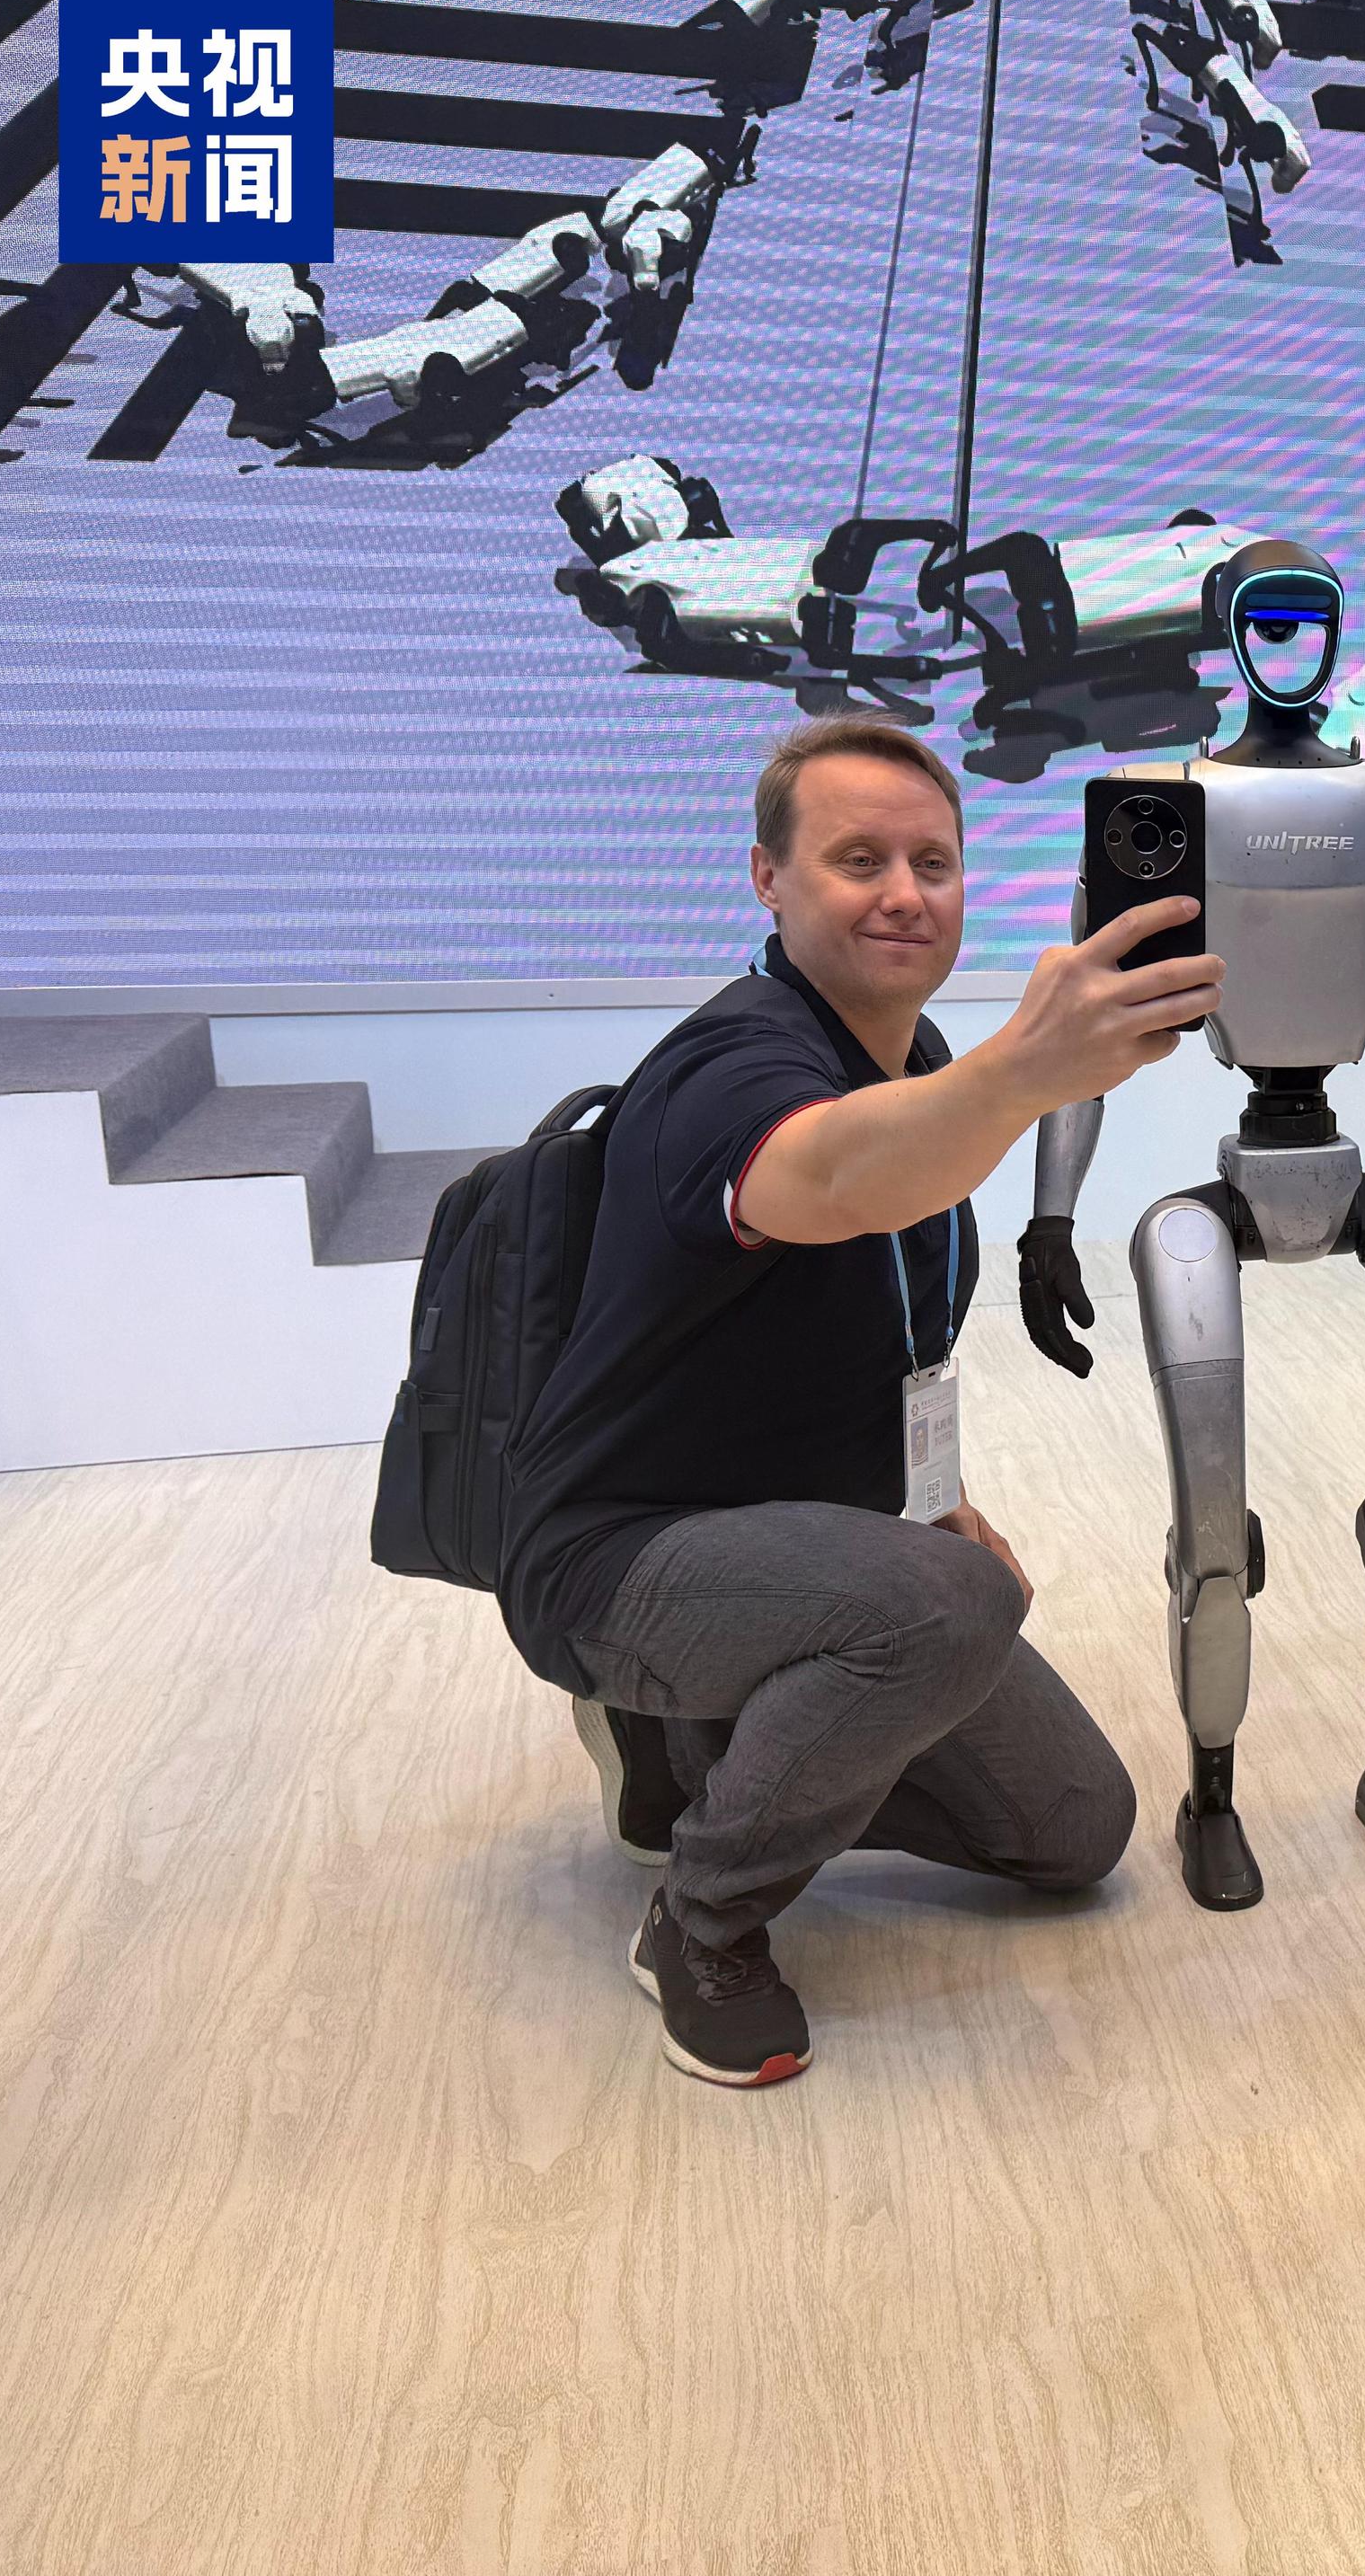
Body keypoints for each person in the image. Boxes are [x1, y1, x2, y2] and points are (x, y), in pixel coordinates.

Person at [499, 716, 1225, 2086]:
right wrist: (1025, 1069)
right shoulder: (730, 1067)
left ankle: (687, 1748)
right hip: (619, 1553)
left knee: (1075, 1831)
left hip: (794, 1532)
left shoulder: (914, 1055)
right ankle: (703, 1919)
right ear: (768, 879)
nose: (904, 893)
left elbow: (892, 1321)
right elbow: (835, 1178)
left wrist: (936, 1496)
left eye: (932, 864)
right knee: (945, 1608)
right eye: (857, 861)